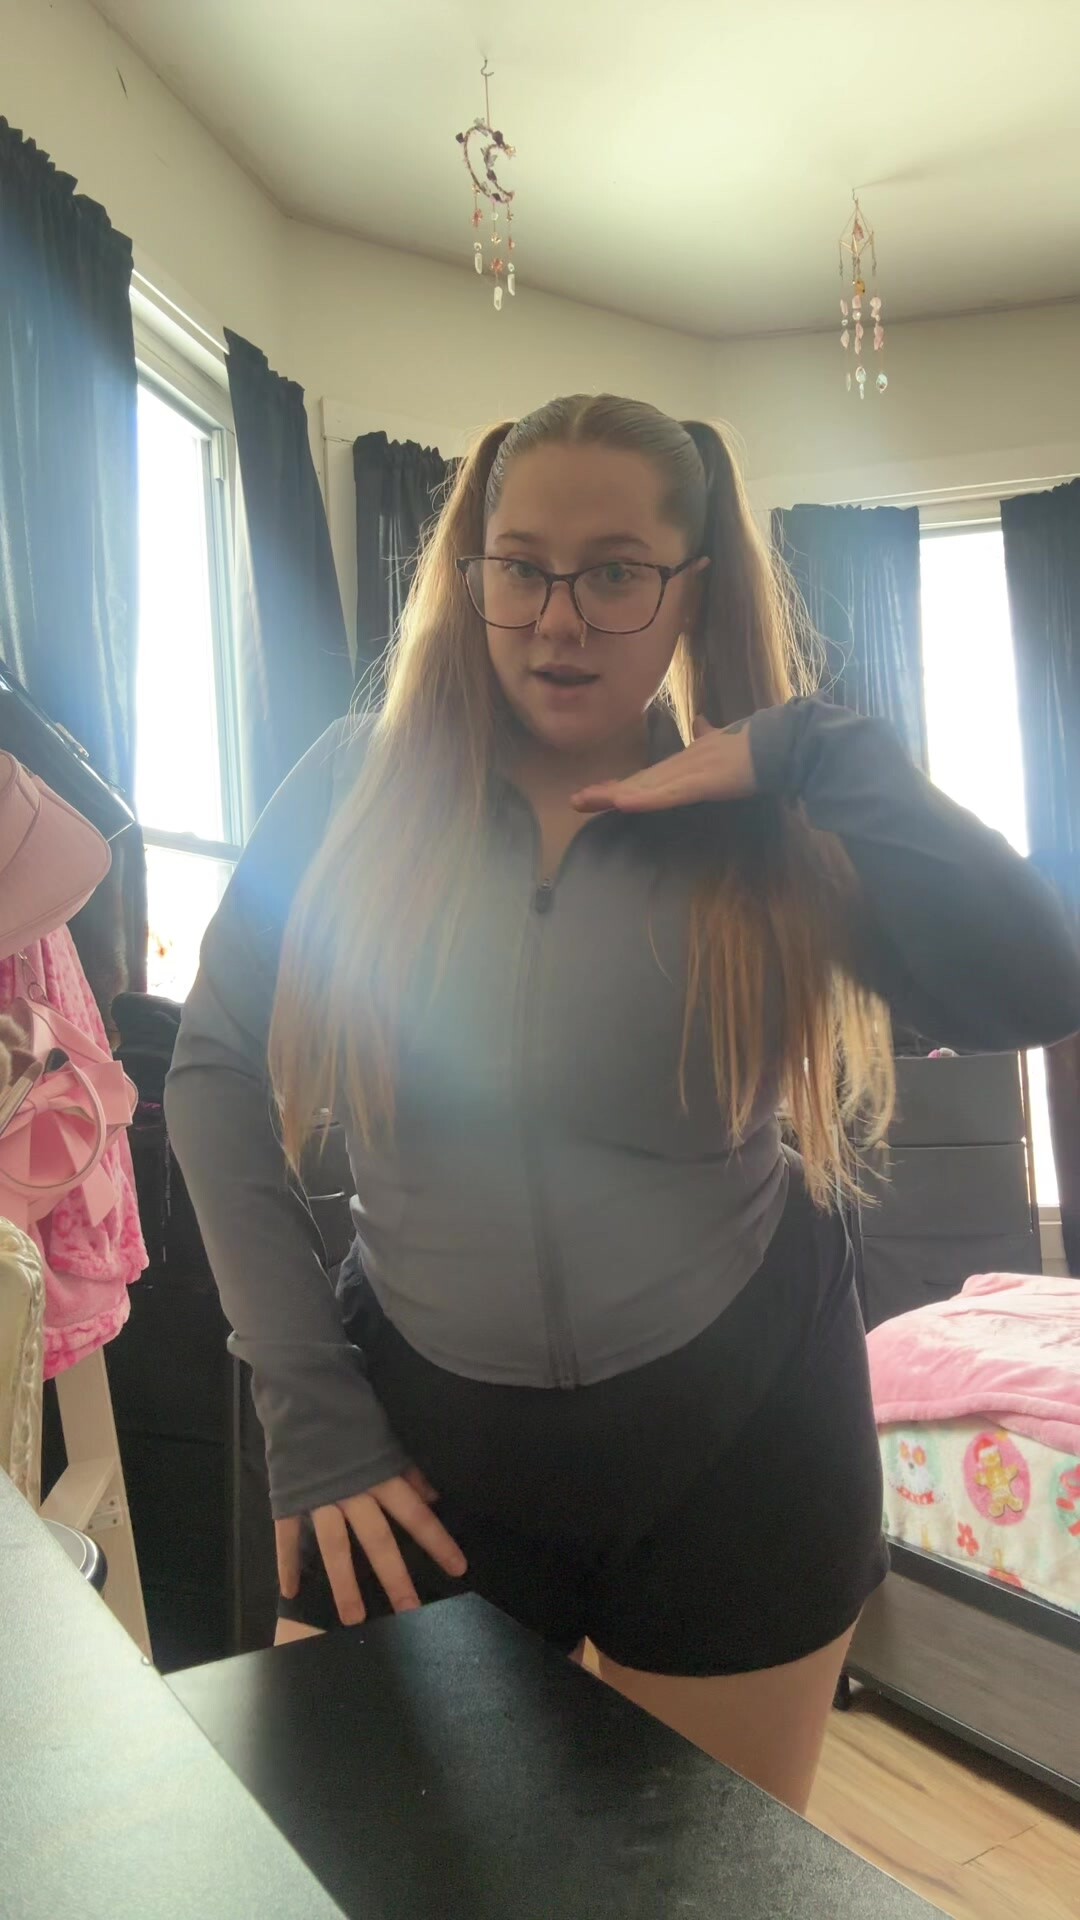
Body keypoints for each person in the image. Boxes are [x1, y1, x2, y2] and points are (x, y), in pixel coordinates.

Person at [166, 395, 1080, 1812]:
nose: (559, 620)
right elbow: (216, 1066)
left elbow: (1034, 983)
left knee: (692, 1900)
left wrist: (822, 756)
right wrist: (307, 1402)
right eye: (520, 568)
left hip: (743, 1449)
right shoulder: (355, 787)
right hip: (415, 1450)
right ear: (470, 575)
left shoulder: (770, 809)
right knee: (368, 1877)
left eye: (614, 573)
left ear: (690, 588)